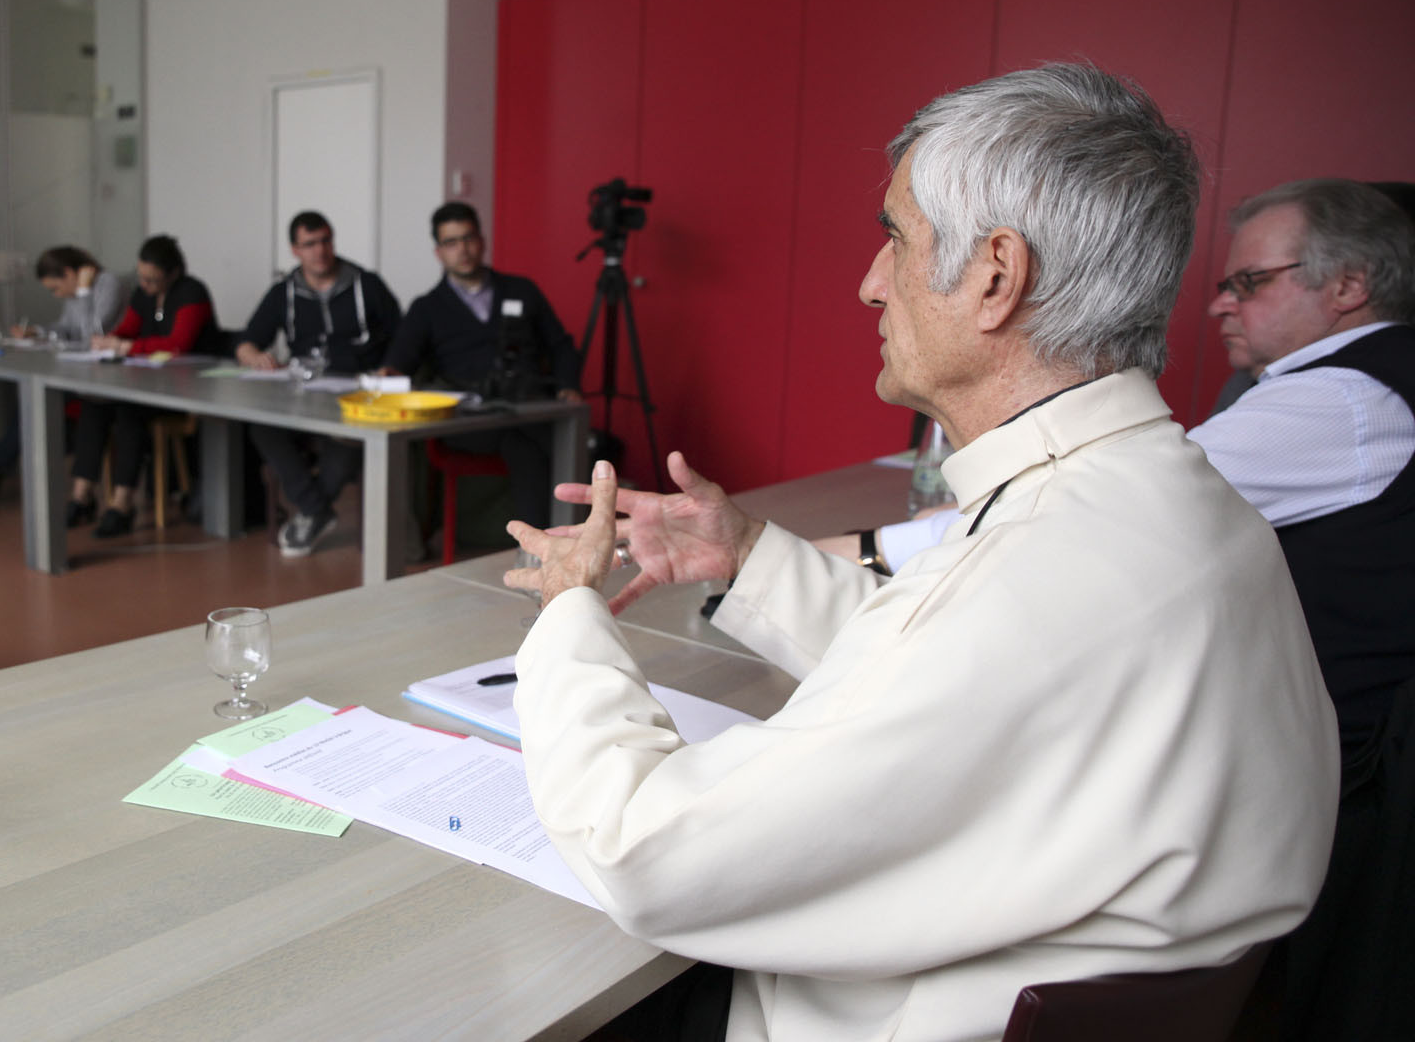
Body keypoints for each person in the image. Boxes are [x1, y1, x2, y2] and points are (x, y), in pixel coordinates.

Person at [504, 64, 1340, 1042]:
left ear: (995, 276)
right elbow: (970, 679)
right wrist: (749, 557)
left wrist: (569, 615)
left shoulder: (1024, 571)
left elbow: (646, 855)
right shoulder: (1186, 506)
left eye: (895, 238)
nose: (868, 285)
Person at [381, 202, 583, 529]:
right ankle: (557, 540)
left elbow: (561, 347)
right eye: (451, 242)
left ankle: (545, 546)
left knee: (538, 438)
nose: (462, 249)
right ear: (438, 252)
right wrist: (386, 376)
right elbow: (398, 363)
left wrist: (568, 386)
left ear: (482, 240)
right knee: (538, 445)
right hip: (470, 421)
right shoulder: (426, 308)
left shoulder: (522, 290)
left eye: (468, 238)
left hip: (530, 405)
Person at [237, 211, 401, 556]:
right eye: (310, 244)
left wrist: (389, 368)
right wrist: (253, 356)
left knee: (348, 437)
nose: (320, 251)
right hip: (304, 391)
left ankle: (311, 513)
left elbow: (404, 337)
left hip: (359, 391)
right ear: (295, 250)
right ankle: (317, 509)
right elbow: (247, 341)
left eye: (326, 240)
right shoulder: (284, 291)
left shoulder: (366, 284)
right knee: (262, 427)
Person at [0, 246, 123, 505]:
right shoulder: (75, 293)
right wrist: (37, 331)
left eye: (55, 288)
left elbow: (91, 334)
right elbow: (66, 327)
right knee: (29, 399)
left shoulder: (108, 284)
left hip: (106, 374)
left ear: (71, 273)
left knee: (37, 400)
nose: (57, 295)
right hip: (81, 369)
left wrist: (83, 290)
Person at [74, 234, 225, 537]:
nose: (144, 285)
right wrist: (108, 341)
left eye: (152, 280)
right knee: (95, 404)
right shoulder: (143, 295)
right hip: (151, 383)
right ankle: (82, 496)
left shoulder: (191, 292)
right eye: (141, 277)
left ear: (173, 273)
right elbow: (127, 329)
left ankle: (122, 504)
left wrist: (126, 348)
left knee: (130, 409)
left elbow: (178, 345)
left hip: (188, 388)